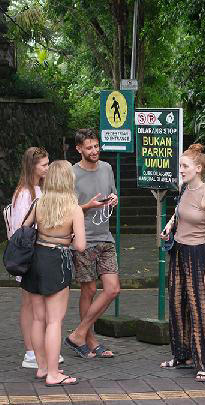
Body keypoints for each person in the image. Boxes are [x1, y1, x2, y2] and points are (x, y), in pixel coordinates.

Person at [20, 160, 86, 386]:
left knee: (38, 318)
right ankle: (54, 373)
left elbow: (25, 227)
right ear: (68, 179)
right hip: (57, 261)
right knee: (54, 321)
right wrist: (67, 238)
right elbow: (80, 246)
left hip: (35, 260)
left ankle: (41, 367)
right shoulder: (74, 207)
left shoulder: (40, 202)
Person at [160, 144, 205, 382]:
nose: (181, 169)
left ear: (198, 168)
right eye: (180, 166)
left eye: (184, 166)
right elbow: (179, 211)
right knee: (177, 305)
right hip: (179, 251)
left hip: (198, 255)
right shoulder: (184, 189)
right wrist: (170, 225)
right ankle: (182, 355)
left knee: (201, 309)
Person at [5, 147, 66, 369]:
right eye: (44, 165)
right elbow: (21, 229)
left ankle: (37, 351)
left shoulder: (37, 189)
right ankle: (31, 351)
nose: (47, 168)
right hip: (31, 254)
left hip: (37, 255)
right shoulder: (25, 193)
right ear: (33, 166)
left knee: (33, 304)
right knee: (29, 304)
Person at [64, 129, 119, 359]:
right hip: (83, 239)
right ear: (79, 149)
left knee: (112, 289)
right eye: (89, 148)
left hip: (105, 237)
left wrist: (115, 199)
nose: (94, 151)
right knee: (89, 290)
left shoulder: (107, 168)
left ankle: (78, 334)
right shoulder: (72, 174)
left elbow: (112, 194)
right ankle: (90, 340)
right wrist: (88, 206)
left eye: (96, 146)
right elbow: (67, 210)